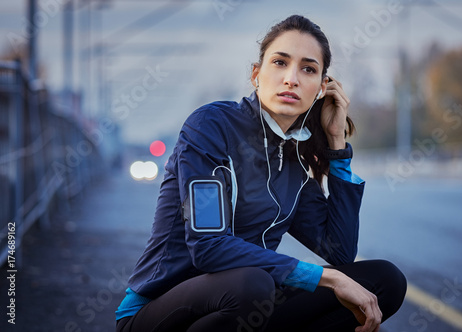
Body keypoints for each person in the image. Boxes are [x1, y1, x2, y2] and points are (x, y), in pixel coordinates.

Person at [115, 15, 406, 332]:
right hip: (159, 312)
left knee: (385, 282)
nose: (291, 78)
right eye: (280, 63)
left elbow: (339, 251)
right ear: (256, 74)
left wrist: (337, 146)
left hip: (245, 306)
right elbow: (208, 246)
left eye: (308, 69)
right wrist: (327, 278)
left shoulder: (294, 157)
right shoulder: (211, 128)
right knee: (254, 286)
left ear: (323, 88)